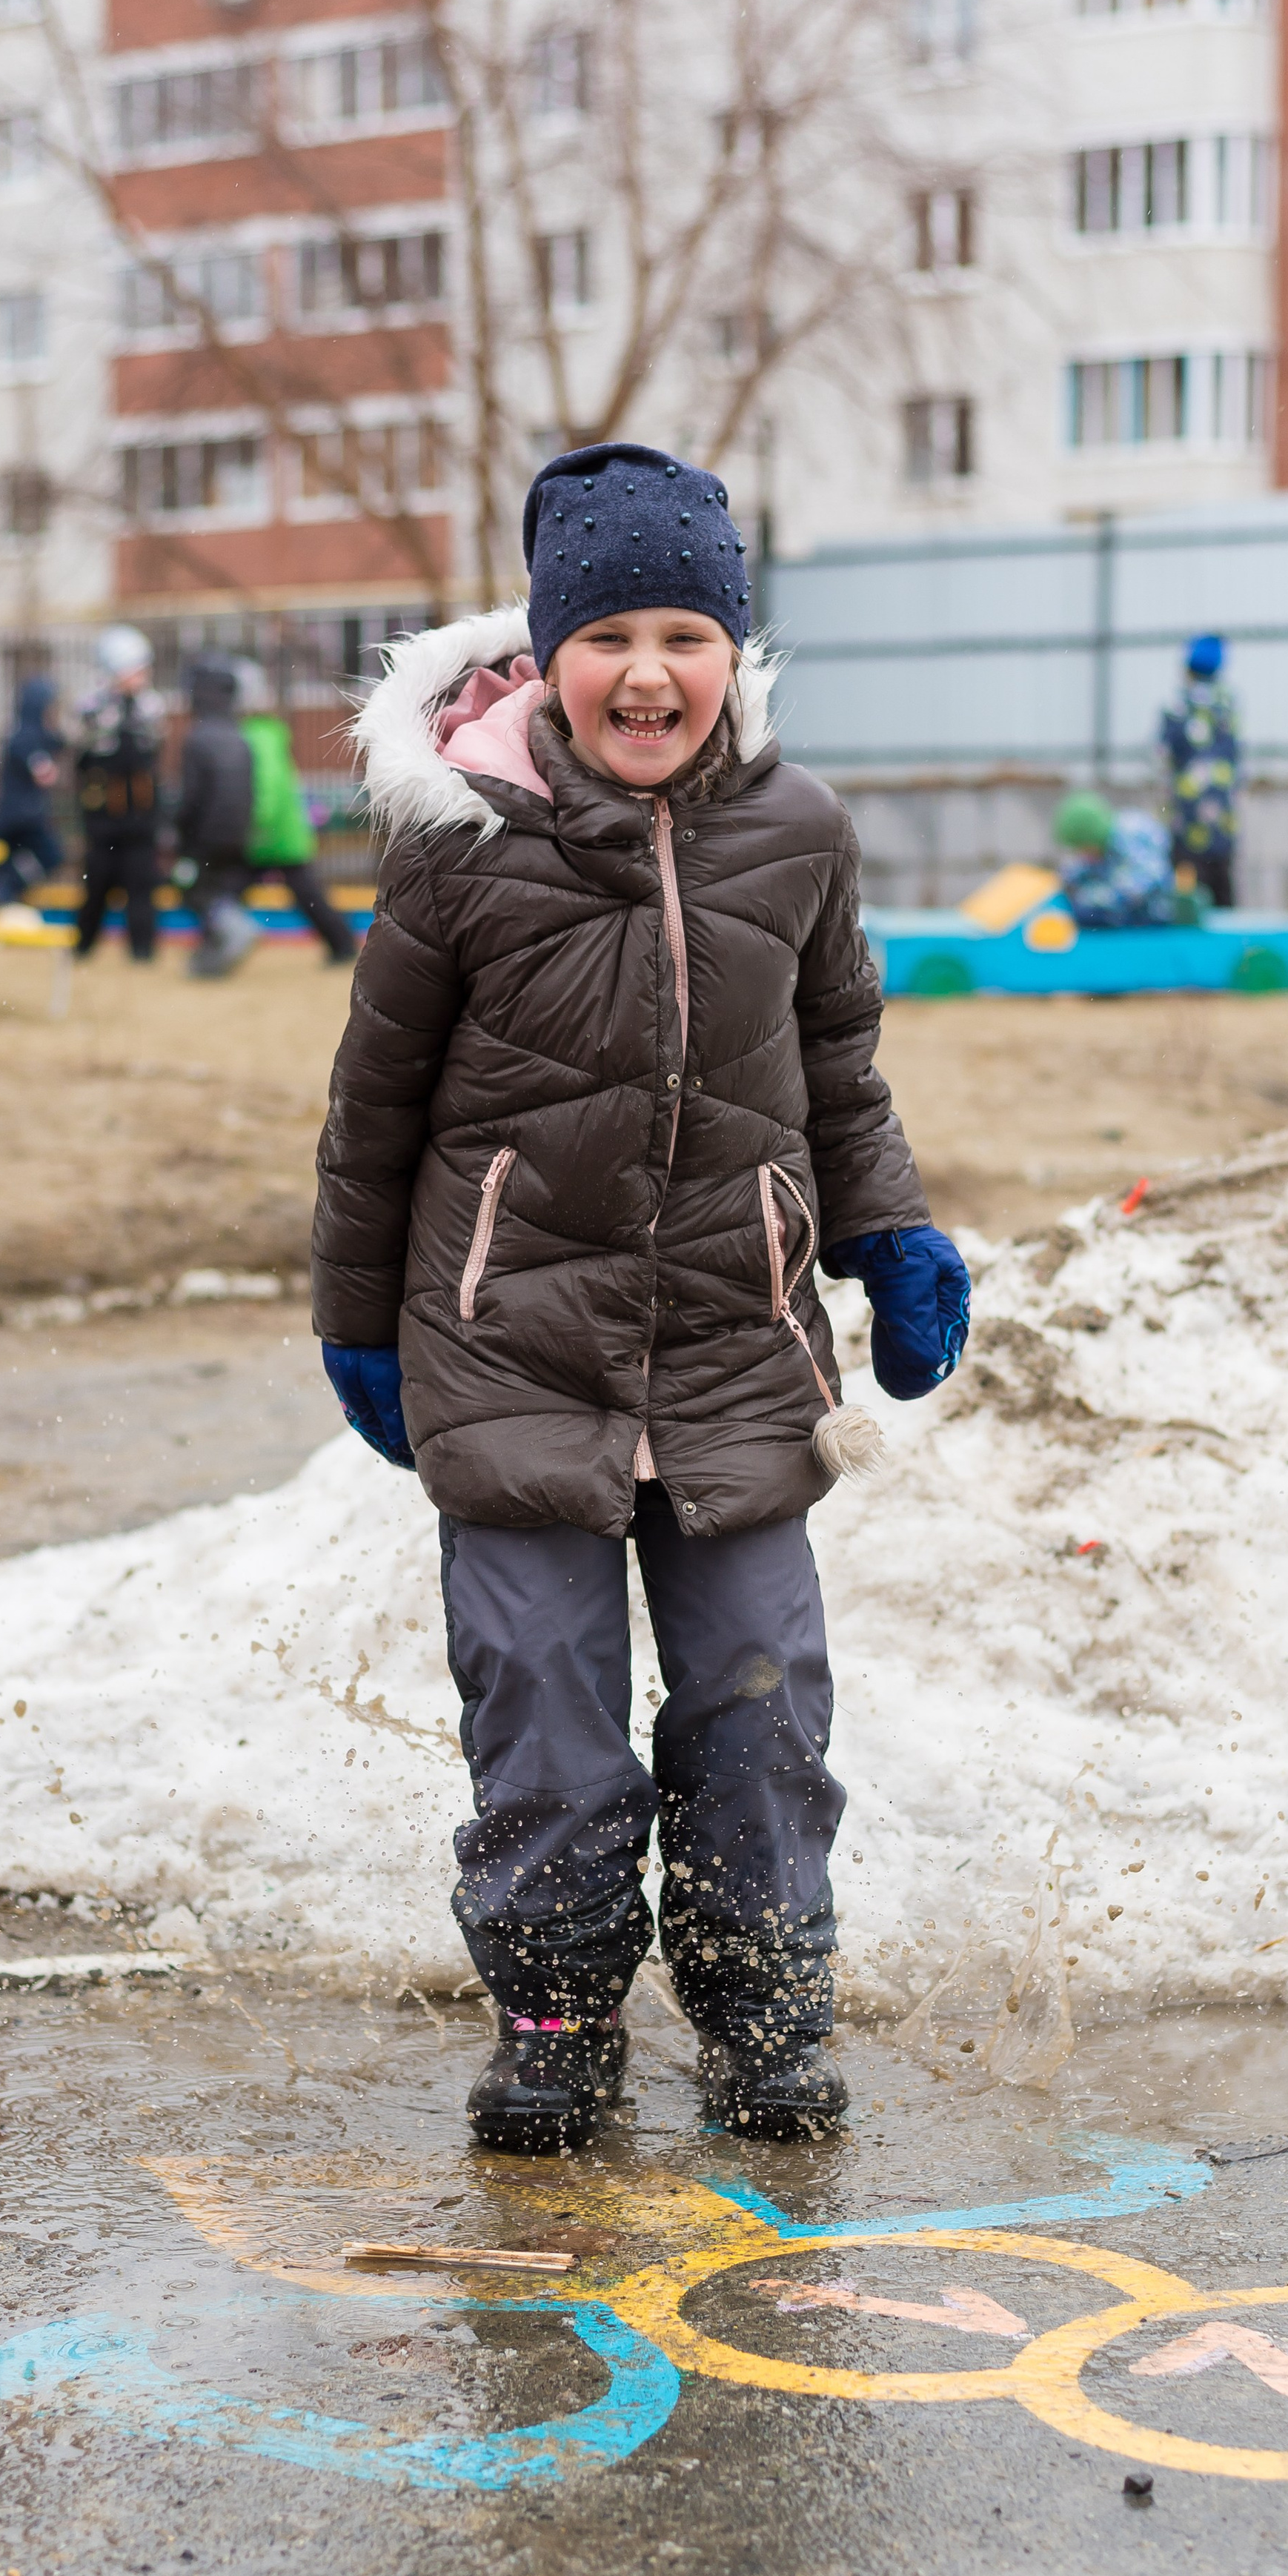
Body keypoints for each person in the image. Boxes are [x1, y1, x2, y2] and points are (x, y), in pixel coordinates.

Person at [313, 442, 973, 2154]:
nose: (649, 672)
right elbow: (372, 1108)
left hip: (736, 1353)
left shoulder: (796, 832)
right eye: (611, 635)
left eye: (687, 632)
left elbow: (836, 1072)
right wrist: (358, 1320)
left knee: (762, 1701)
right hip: (508, 1342)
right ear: (548, 656)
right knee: (540, 1709)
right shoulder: (462, 849)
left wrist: (886, 1236)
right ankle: (552, 2016)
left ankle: (762, 2009)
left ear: (730, 656)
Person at [235, 662, 358, 964]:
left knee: (226, 892)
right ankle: (342, 945)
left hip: (268, 834)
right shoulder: (268, 732)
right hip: (283, 832)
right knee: (308, 895)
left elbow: (268, 787)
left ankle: (222, 937)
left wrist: (255, 823)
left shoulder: (254, 736)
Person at [72, 625, 165, 961]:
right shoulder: (93, 708)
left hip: (140, 812)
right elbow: (83, 756)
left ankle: (143, 949)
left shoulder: (151, 707)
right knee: (97, 881)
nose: (143, 675)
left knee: (141, 882)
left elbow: (153, 754)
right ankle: (84, 945)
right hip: (104, 814)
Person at [173, 652, 259, 978]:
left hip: (205, 834)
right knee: (222, 890)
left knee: (197, 892)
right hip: (238, 832)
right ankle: (209, 963)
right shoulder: (240, 736)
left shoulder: (198, 738)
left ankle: (236, 931)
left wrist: (180, 834)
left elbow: (192, 797)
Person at [1160, 634, 1241, 909]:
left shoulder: (1178, 703)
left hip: (1188, 817)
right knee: (1222, 885)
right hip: (1223, 819)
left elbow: (1163, 752)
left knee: (1188, 887)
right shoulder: (1227, 703)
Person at [0, 674, 67, 907]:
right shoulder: (26, 738)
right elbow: (45, 773)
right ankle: (5, 889)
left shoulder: (30, 735)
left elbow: (59, 742)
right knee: (51, 855)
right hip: (22, 817)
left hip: (16, 814)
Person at [1052, 791, 1178, 928]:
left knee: (1088, 912)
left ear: (1092, 837)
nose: (1083, 857)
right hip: (1124, 910)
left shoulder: (1129, 836)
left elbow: (1146, 882)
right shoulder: (1100, 846)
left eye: (1083, 849)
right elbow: (1077, 872)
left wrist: (1090, 896)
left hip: (1153, 913)